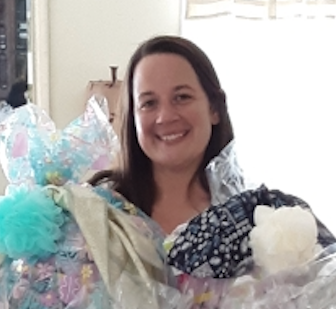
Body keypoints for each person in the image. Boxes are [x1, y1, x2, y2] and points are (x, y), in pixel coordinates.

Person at [93, 35, 234, 237]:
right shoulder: (98, 209)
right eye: (149, 103)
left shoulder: (251, 215)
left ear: (214, 109)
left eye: (182, 97)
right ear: (133, 118)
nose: (165, 117)